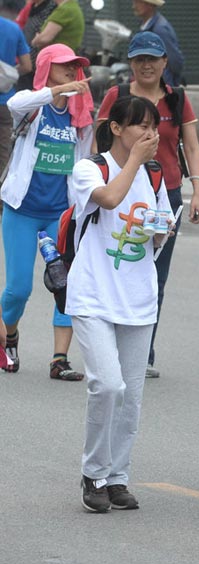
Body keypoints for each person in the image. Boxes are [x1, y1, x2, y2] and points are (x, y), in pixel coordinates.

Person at [69, 94, 171, 513]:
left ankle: (117, 477)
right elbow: (108, 199)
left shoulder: (155, 176)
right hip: (92, 294)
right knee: (107, 385)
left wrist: (159, 228)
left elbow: (162, 229)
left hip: (138, 297)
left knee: (131, 396)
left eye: (153, 127)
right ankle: (93, 472)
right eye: (139, 127)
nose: (149, 134)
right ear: (116, 128)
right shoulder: (89, 168)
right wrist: (135, 163)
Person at [96, 30, 199, 379]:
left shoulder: (176, 98)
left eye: (152, 59)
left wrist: (197, 191)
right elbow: (99, 142)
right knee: (117, 268)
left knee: (154, 276)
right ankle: (108, 346)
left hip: (164, 195)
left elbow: (191, 146)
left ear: (164, 62)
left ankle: (143, 353)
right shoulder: (118, 95)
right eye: (139, 58)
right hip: (121, 192)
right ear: (131, 62)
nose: (146, 65)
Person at [1, 44, 92, 380]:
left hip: (60, 215)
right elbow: (13, 101)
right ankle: (9, 335)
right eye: (64, 65)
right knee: (18, 289)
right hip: (22, 212)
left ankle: (59, 360)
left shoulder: (81, 116)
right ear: (46, 67)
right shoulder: (33, 108)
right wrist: (53, 91)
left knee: (66, 285)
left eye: (76, 67)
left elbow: (82, 164)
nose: (72, 71)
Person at [0, 14, 32, 196]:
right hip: (6, 101)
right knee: (4, 148)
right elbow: (27, 66)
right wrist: (8, 74)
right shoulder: (13, 29)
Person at [132, 0, 185, 87]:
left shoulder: (160, 29)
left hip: (161, 86)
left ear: (150, 6)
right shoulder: (146, 26)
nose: (134, 7)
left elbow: (174, 60)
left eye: (138, 3)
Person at [14, 0, 54, 91]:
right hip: (23, 55)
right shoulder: (31, 6)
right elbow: (19, 23)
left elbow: (43, 36)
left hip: (37, 59)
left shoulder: (51, 7)